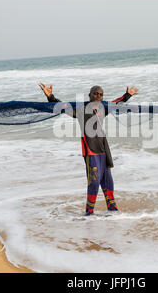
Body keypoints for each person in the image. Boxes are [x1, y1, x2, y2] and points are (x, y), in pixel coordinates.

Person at [38, 83, 139, 215]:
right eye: (95, 93)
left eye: (101, 94)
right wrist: (51, 97)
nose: (98, 96)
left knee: (107, 180)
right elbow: (63, 108)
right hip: (90, 150)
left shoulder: (104, 108)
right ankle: (89, 213)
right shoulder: (80, 110)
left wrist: (127, 95)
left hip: (103, 149)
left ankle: (113, 210)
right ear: (89, 95)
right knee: (94, 181)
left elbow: (116, 104)